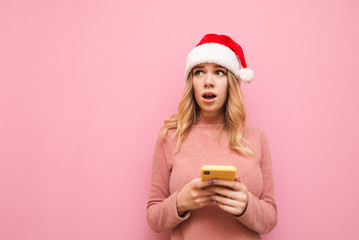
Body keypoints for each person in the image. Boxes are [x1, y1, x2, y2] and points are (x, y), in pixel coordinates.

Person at [146, 34, 277, 239]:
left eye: (218, 72)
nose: (208, 82)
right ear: (192, 82)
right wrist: (180, 202)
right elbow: (154, 219)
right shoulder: (170, 138)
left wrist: (246, 205)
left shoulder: (256, 138)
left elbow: (270, 220)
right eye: (199, 73)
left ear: (231, 82)